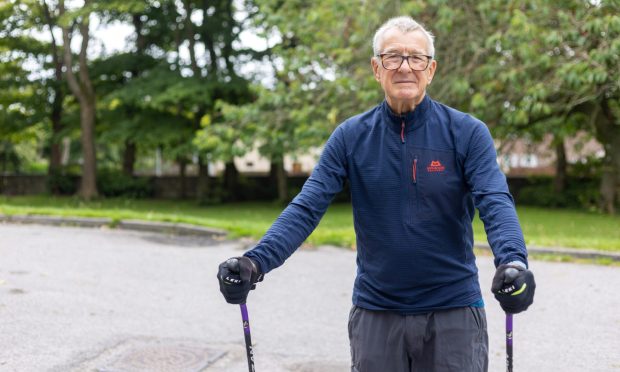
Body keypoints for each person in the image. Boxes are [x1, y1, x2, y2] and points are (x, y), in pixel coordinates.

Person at [217, 16, 535, 372]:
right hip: (376, 314)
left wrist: (513, 261)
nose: (404, 67)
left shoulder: (467, 133)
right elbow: (307, 207)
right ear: (375, 67)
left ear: (431, 70)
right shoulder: (350, 137)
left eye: (416, 58)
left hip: (454, 313)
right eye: (392, 57)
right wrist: (255, 262)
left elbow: (494, 200)